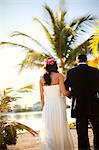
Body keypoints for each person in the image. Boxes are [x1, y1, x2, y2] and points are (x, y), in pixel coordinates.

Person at [64, 54, 99, 149]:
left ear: (77, 61)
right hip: (94, 104)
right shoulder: (95, 71)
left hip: (78, 105)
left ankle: (84, 148)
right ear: (86, 60)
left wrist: (72, 96)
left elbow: (65, 88)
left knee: (81, 131)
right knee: (97, 129)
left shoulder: (71, 72)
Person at [39, 57, 74, 150]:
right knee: (60, 126)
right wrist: (74, 93)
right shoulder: (59, 76)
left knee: (49, 129)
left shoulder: (41, 78)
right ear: (55, 65)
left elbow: (42, 97)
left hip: (48, 106)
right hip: (58, 105)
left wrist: (43, 109)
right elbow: (64, 92)